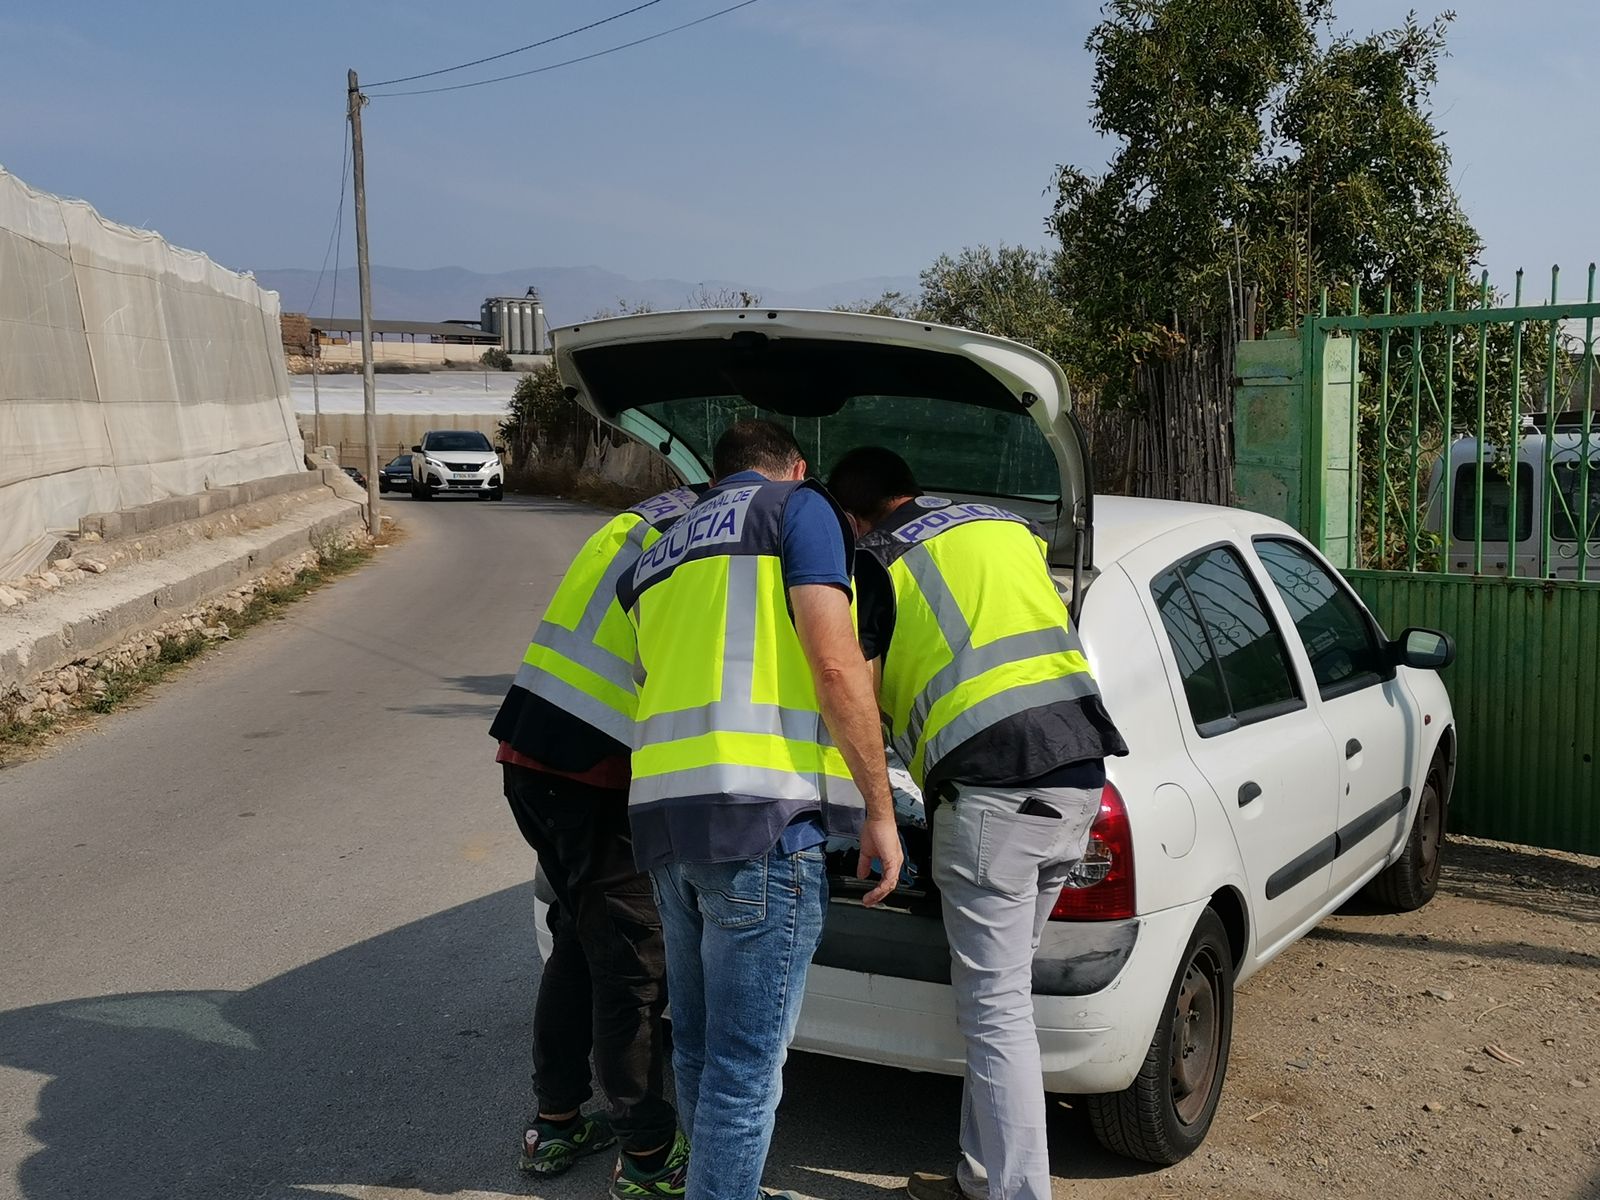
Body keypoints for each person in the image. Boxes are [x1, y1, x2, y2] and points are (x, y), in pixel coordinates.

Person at [826, 447, 1128, 1200]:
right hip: (1081, 779)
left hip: (995, 793)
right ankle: (982, 1170)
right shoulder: (1006, 526)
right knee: (1002, 1000)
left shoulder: (871, 562)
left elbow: (851, 689)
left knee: (994, 1016)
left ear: (854, 516)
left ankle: (1017, 1192)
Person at [618, 420, 902, 1200]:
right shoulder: (795, 509)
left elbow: (655, 677)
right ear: (796, 468)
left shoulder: (662, 547)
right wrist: (879, 809)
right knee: (748, 1072)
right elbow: (837, 664)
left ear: (715, 478)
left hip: (669, 827)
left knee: (703, 1056)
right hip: (761, 828)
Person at [489, 483, 703, 1195]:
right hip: (594, 771)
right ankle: (647, 1159)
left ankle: (556, 1122)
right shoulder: (712, 539)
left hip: (532, 753)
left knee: (579, 938)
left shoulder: (651, 514)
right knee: (632, 968)